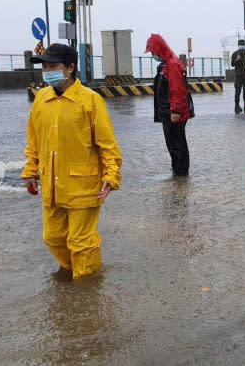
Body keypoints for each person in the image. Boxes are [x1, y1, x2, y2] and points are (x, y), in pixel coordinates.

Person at [21, 43, 123, 280]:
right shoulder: (41, 99)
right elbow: (33, 140)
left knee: (81, 242)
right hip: (52, 184)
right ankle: (74, 273)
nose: (47, 71)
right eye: (44, 67)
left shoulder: (90, 100)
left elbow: (107, 144)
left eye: (53, 66)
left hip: (84, 185)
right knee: (53, 238)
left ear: (70, 68)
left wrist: (111, 176)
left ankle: (85, 288)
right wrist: (30, 171)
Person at [145, 34, 191, 177]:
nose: (153, 55)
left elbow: (176, 90)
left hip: (174, 113)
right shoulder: (165, 65)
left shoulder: (172, 64)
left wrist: (175, 111)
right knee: (172, 144)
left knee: (177, 144)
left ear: (159, 49)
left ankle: (181, 173)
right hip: (168, 113)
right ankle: (177, 170)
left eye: (153, 52)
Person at [231, 39, 245, 114]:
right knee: (237, 92)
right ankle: (237, 106)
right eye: (240, 45)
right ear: (238, 45)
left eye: (243, 45)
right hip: (238, 76)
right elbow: (232, 64)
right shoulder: (235, 54)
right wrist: (236, 60)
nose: (242, 46)